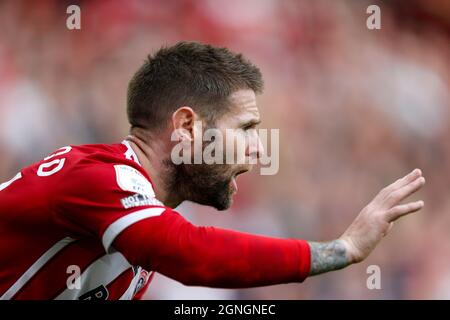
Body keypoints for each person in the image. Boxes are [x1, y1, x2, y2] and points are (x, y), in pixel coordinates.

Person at [0, 42, 425, 300]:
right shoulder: (102, 179)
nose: (260, 150)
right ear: (186, 126)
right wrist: (342, 250)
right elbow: (194, 257)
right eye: (246, 129)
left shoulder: (135, 214)